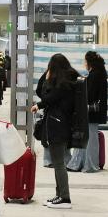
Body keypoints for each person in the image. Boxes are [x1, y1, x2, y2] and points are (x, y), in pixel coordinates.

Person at [35, 53, 84, 208]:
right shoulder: (68, 81)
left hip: (57, 125)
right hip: (63, 124)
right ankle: (59, 195)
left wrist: (45, 76)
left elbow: (44, 95)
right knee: (58, 162)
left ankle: (64, 198)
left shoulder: (62, 85)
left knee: (58, 163)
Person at [69, 50, 108, 172]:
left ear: (89, 62)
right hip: (95, 112)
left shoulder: (94, 75)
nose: (84, 63)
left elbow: (90, 95)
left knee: (89, 139)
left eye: (85, 61)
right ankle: (86, 163)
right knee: (90, 138)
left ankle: (89, 165)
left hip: (91, 112)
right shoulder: (100, 73)